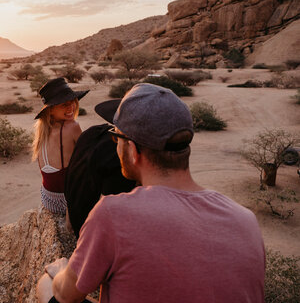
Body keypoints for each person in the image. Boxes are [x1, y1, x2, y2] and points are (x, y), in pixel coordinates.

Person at [37, 83, 265, 303]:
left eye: (116, 137)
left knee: (46, 286)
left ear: (133, 150)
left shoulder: (112, 214)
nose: (115, 144)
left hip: (70, 282)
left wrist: (61, 270)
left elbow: (67, 296)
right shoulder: (246, 220)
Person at [64, 99, 136, 238]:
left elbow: (71, 173)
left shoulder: (90, 134)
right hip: (93, 236)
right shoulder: (121, 159)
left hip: (76, 219)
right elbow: (111, 215)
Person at [33, 77, 88, 215]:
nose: (71, 107)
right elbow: (88, 158)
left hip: (47, 198)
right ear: (50, 110)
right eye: (64, 105)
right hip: (65, 201)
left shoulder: (42, 131)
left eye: (72, 102)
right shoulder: (72, 127)